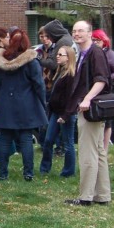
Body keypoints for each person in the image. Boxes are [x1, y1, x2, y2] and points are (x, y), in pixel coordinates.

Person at [64, 20, 111, 207]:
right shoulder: (83, 53)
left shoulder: (95, 52)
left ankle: (86, 197)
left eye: (81, 31)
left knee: (88, 153)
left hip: (90, 110)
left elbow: (101, 80)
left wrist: (87, 99)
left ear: (90, 33)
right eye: (74, 31)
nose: (77, 34)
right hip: (89, 108)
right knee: (99, 152)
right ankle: (103, 195)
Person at [0, 29, 47, 181]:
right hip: (26, 105)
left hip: (5, 104)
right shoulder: (31, 62)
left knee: (5, 138)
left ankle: (3, 173)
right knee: (26, 138)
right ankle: (28, 173)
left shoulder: (1, 60)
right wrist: (43, 102)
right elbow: (39, 85)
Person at [39, 45, 77, 178]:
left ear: (69, 58)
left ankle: (68, 171)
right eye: (58, 54)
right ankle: (44, 168)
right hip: (55, 112)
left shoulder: (71, 75)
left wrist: (65, 115)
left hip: (65, 114)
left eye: (61, 55)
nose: (57, 56)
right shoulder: (60, 72)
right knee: (48, 140)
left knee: (68, 144)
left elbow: (71, 98)